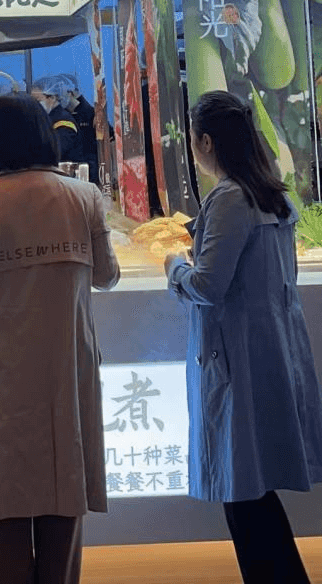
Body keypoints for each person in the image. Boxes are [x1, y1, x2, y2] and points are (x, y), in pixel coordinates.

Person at [0, 92, 120, 584]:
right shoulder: (83, 196)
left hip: (1, 371)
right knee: (63, 490)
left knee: (0, 496)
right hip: (66, 366)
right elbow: (107, 275)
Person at [165, 90, 322, 584]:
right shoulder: (272, 193)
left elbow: (208, 285)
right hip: (270, 352)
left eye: (193, 139)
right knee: (252, 493)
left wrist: (174, 267)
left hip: (238, 361)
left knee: (243, 496)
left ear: (206, 142)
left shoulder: (231, 197)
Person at [30, 76, 81, 163]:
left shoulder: (64, 123)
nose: (34, 105)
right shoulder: (45, 119)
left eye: (38, 101)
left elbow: (55, 152)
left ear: (52, 98)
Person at [61, 74, 99, 183]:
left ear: (72, 92)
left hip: (89, 167)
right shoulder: (64, 113)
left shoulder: (90, 113)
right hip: (71, 166)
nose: (61, 98)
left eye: (63, 94)